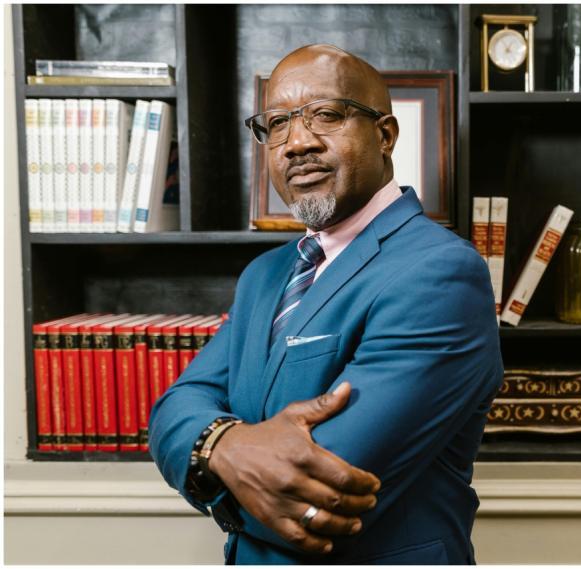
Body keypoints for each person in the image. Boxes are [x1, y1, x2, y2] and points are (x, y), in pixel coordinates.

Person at [149, 44, 503, 565]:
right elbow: (173, 409)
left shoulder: (441, 274)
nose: (296, 143)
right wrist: (225, 446)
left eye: (325, 115)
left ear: (385, 135)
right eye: (276, 124)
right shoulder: (264, 277)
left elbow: (316, 488)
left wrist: (202, 460)